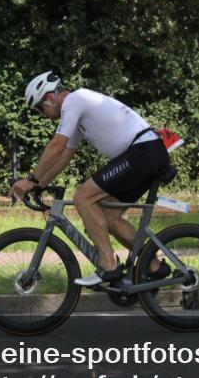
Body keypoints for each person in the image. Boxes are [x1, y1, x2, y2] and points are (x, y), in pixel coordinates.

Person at [9, 71, 171, 286]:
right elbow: (65, 155)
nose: (42, 114)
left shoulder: (76, 100)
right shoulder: (77, 114)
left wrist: (31, 179)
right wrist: (40, 184)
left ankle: (108, 266)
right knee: (109, 218)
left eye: (40, 108)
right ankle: (153, 265)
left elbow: (57, 145)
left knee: (83, 197)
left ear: (50, 98)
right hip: (145, 154)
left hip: (143, 152)